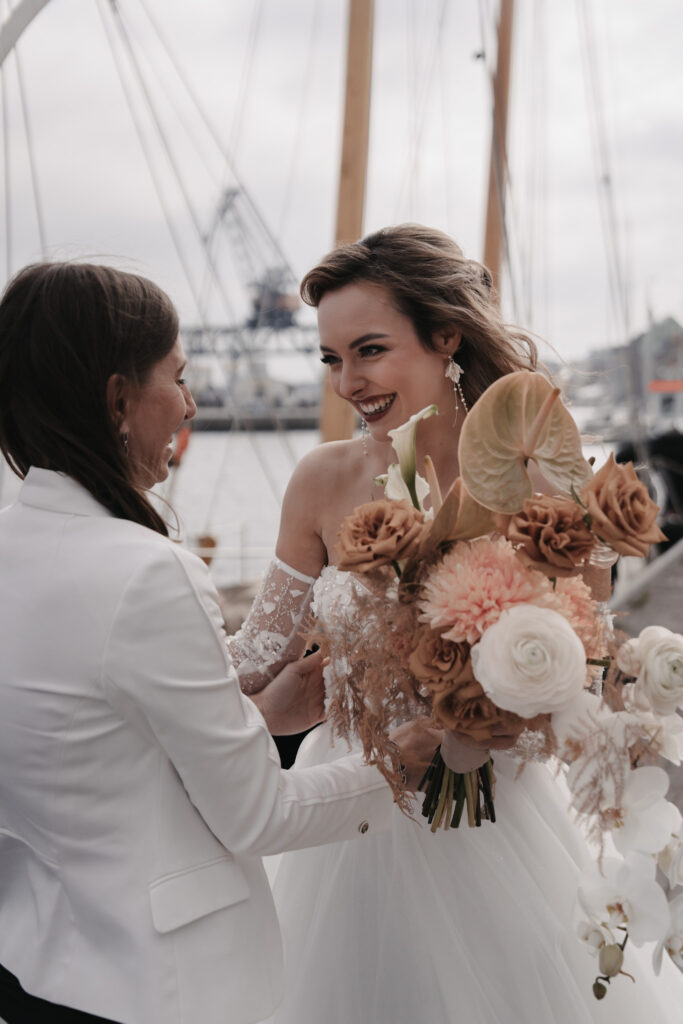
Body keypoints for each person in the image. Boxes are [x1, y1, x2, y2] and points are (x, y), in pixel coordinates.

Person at [228, 225, 683, 1023]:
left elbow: (581, 649)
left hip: (499, 814)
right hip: (349, 808)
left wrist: (498, 699)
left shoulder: (546, 481)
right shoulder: (322, 479)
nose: (348, 382)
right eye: (331, 359)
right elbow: (255, 656)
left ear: (446, 337)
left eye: (369, 350)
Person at [0, 261, 457, 1024]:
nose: (190, 401)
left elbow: (97, 738)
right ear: (118, 398)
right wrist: (411, 753)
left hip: (40, 962)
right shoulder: (149, 572)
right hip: (162, 983)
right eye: (176, 376)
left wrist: (258, 719)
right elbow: (258, 817)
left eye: (366, 350)